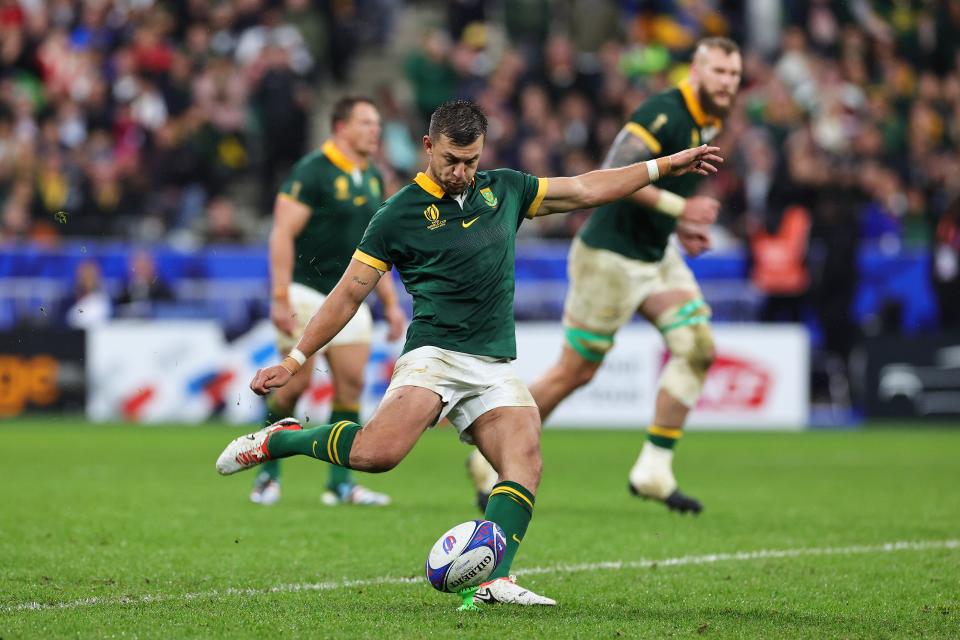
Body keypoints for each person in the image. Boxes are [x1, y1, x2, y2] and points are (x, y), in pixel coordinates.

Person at [216, 100, 721, 605]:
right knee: (376, 455)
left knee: (524, 462)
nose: (461, 172)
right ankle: (282, 440)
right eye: (451, 160)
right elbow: (349, 293)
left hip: (493, 365)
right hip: (434, 356)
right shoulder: (397, 215)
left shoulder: (506, 189)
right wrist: (295, 360)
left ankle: (491, 581)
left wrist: (663, 167)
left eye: (471, 161)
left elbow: (587, 187)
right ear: (428, 147)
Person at [468, 37, 742, 515]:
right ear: (696, 72)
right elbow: (615, 172)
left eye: (734, 75)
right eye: (719, 72)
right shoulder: (664, 113)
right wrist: (682, 207)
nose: (727, 82)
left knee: (697, 348)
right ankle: (488, 455)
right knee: (576, 372)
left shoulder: (712, 117)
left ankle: (653, 470)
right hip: (609, 259)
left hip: (655, 256)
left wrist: (679, 223)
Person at [248, 96, 407, 507]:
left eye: (377, 123)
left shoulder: (372, 176)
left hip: (351, 298)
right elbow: (281, 234)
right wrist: (280, 295)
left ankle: (339, 485)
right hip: (305, 290)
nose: (376, 130)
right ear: (341, 127)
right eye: (366, 123)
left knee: (351, 384)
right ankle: (267, 473)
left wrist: (390, 302)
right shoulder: (312, 171)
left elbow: (377, 248)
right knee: (295, 384)